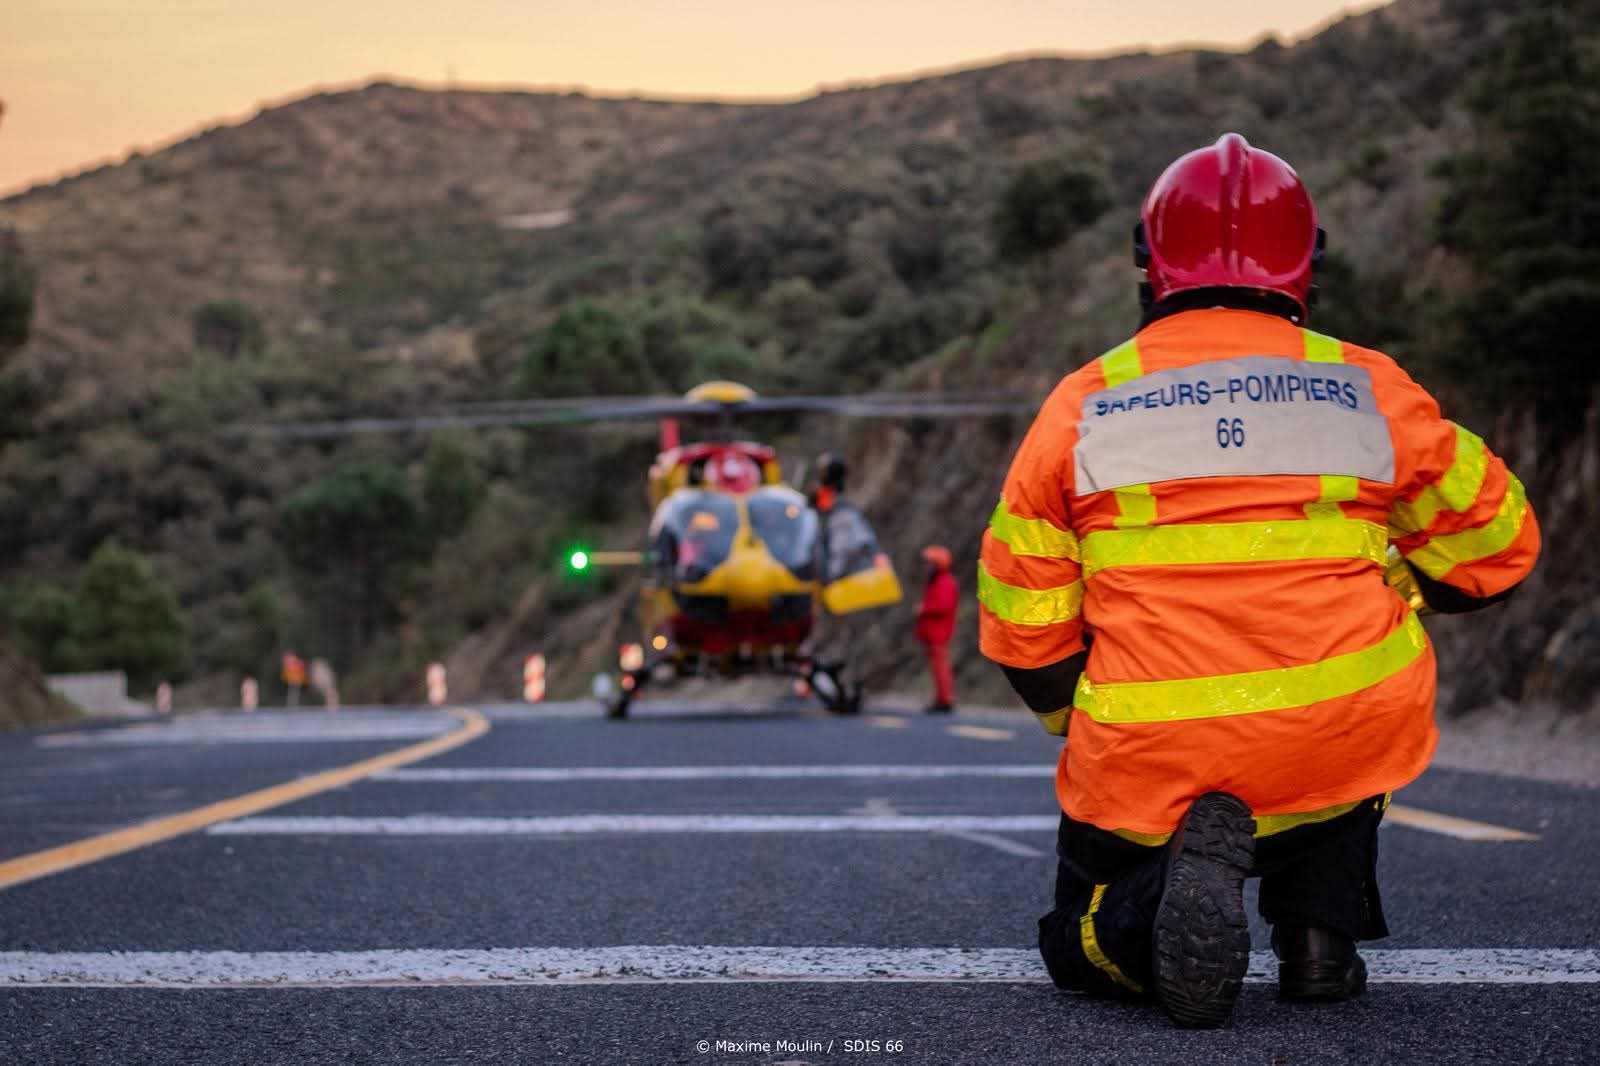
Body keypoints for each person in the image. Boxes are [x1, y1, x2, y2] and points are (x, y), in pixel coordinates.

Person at [977, 133, 1539, 1028]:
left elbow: (1022, 622)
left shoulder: (1082, 404)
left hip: (1152, 752)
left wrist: (1078, 720)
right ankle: (1321, 942)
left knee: (1072, 938)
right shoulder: (1369, 387)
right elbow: (1499, 548)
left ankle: (1150, 908)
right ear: (1307, 268)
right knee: (1353, 713)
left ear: (1146, 266)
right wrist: (1400, 582)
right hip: (1335, 733)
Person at [915, 545, 959, 713]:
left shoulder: (945, 582)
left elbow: (943, 605)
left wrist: (923, 608)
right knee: (937, 666)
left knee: (941, 666)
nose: (926, 567)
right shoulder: (936, 581)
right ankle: (942, 698)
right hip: (933, 631)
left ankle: (945, 699)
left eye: (929, 564)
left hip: (939, 631)